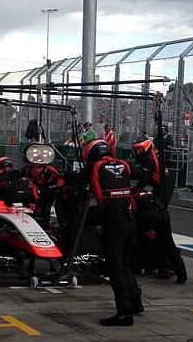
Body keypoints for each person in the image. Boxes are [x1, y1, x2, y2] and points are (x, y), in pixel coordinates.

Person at [83, 139, 142, 326]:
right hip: (129, 218)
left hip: (113, 221)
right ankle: (135, 303)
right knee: (125, 264)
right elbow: (141, 173)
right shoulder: (124, 165)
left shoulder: (95, 166)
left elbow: (70, 178)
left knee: (115, 268)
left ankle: (124, 313)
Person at [130, 136, 187, 284]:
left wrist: (135, 190)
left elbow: (144, 179)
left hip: (161, 192)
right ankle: (177, 269)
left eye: (138, 150)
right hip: (161, 194)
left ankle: (149, 262)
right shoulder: (152, 157)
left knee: (149, 231)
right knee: (165, 236)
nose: (136, 153)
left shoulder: (149, 159)